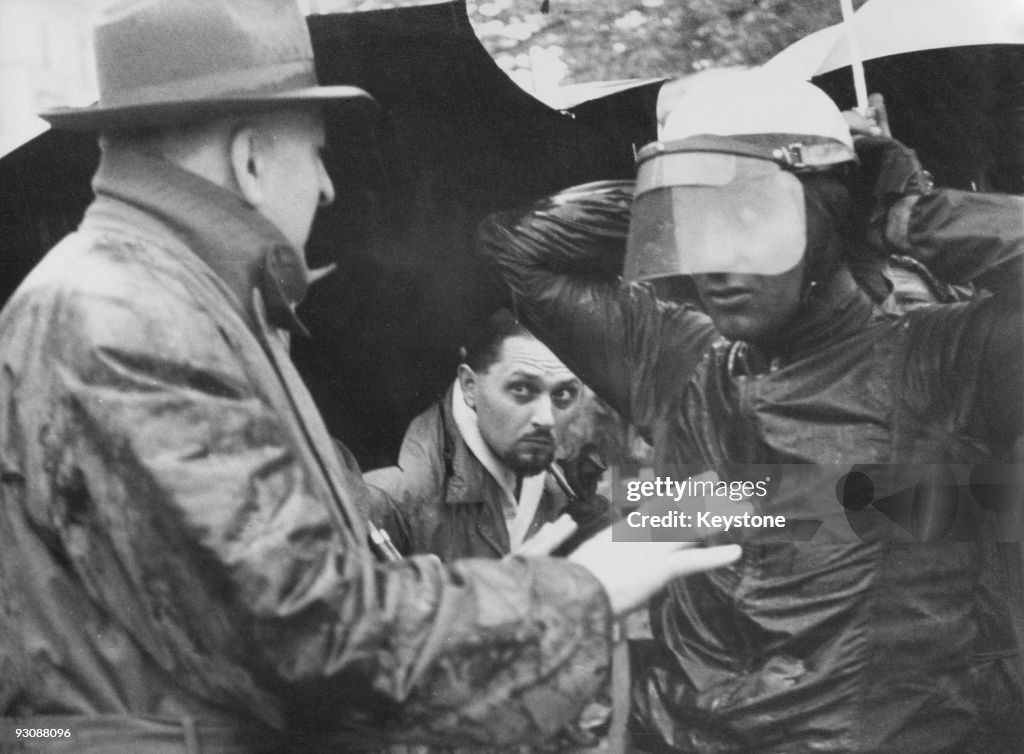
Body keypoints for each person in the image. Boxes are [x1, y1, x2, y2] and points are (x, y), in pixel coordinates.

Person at [0, 2, 741, 752]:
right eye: (318, 154)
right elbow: (305, 632)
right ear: (250, 159)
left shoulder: (160, 297)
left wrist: (515, 592)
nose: (325, 188)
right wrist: (580, 591)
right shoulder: (134, 319)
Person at [479, 69, 1024, 753]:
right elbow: (524, 246)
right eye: (689, 229)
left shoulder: (945, 361)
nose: (712, 263)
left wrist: (906, 215)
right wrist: (701, 182)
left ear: (832, 215)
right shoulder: (679, 356)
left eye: (750, 223)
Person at [366, 309, 612, 560]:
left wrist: (610, 532)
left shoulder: (574, 457)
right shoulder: (390, 501)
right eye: (522, 388)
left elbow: (647, 533)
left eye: (563, 393)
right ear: (469, 386)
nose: (547, 418)